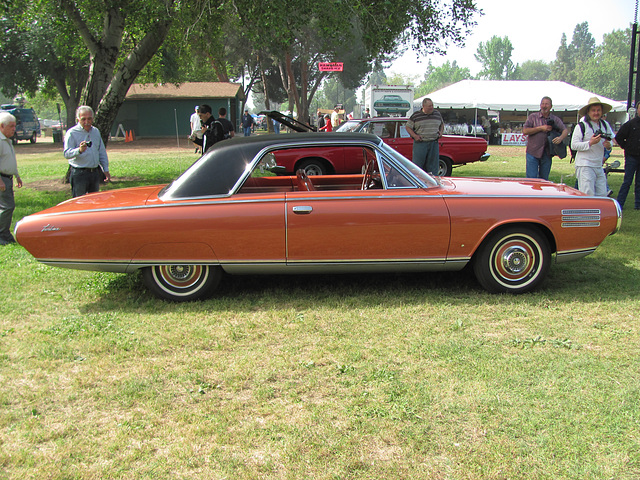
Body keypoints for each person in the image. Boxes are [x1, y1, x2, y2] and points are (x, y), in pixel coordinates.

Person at [571, 97, 615, 197]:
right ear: (588, 112)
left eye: (598, 110)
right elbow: (574, 145)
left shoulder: (605, 125)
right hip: (585, 165)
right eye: (593, 110)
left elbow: (611, 140)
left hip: (598, 165)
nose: (596, 113)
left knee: (602, 194)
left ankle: (599, 213)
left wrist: (609, 145)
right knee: (588, 195)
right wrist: (590, 143)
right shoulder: (582, 126)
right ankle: (587, 213)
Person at [63, 106, 111, 198]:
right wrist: (79, 150)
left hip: (94, 172)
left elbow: (101, 152)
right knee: (80, 203)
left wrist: (105, 169)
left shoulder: (95, 131)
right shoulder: (72, 133)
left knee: (94, 202)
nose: (87, 122)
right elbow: (66, 153)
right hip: (79, 173)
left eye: (89, 119)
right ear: (78, 119)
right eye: (83, 119)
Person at [522, 96, 568, 180]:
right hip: (533, 152)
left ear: (551, 106)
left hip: (547, 153)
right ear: (540, 105)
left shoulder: (555, 119)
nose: (544, 106)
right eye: (542, 104)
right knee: (531, 179)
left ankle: (541, 193)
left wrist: (560, 138)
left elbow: (565, 130)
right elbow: (525, 131)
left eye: (546, 104)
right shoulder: (533, 117)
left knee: (544, 180)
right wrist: (540, 128)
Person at [405, 98, 444, 175]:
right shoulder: (416, 115)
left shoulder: (437, 114)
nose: (431, 107)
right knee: (418, 166)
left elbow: (442, 124)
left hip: (433, 142)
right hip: (421, 143)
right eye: (429, 106)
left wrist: (441, 132)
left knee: (433, 166)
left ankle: (433, 182)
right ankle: (418, 181)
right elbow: (408, 127)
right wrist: (415, 136)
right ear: (423, 106)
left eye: (432, 105)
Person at [0, 112, 23, 245]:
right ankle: (2, 233)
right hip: (2, 179)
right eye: (11, 126)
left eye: (14, 126)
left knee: (8, 206)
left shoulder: (7, 140)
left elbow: (10, 161)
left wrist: (17, 176)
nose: (14, 129)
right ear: (2, 126)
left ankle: (5, 233)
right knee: (7, 206)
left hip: (7, 178)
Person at [615, 102, 640, 209]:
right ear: (637, 110)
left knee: (639, 182)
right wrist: (627, 147)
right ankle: (620, 204)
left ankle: (638, 205)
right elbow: (619, 137)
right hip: (631, 157)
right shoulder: (630, 124)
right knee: (627, 181)